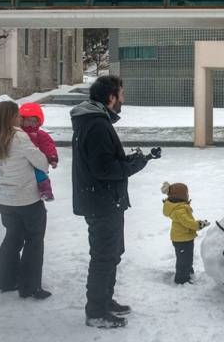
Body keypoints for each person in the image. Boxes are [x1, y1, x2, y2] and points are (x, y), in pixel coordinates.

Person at [71, 75, 161, 329]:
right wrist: (135, 164)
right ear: (111, 97)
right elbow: (104, 169)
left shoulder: (93, 121)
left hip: (104, 200)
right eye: (121, 93)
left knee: (112, 254)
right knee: (103, 257)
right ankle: (96, 311)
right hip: (102, 202)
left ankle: (104, 301)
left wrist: (135, 159)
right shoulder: (97, 124)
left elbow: (104, 162)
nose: (123, 98)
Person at [0, 100, 51, 300]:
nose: (21, 118)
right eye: (18, 115)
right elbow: (41, 162)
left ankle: (7, 281)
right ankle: (30, 287)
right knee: (34, 241)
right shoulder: (19, 137)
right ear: (11, 117)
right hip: (27, 199)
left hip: (4, 200)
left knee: (12, 239)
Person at [161, 182, 209, 284]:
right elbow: (189, 223)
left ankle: (188, 272)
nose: (188, 195)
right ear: (181, 196)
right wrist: (200, 224)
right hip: (182, 239)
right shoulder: (179, 210)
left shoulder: (179, 207)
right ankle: (181, 279)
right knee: (184, 261)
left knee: (186, 258)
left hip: (182, 238)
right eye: (186, 193)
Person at [19, 102, 58, 201]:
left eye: (34, 121)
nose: (31, 123)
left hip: (36, 162)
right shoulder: (17, 133)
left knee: (40, 174)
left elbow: (48, 145)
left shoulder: (40, 134)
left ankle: (46, 191)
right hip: (21, 162)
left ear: (39, 122)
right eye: (28, 120)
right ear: (21, 120)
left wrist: (52, 158)